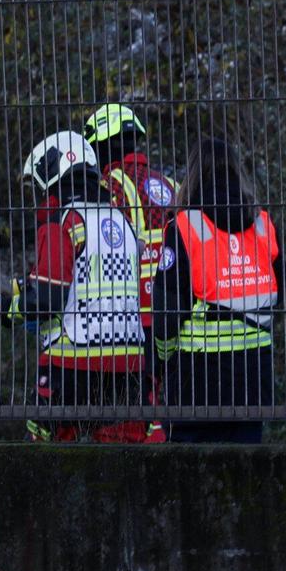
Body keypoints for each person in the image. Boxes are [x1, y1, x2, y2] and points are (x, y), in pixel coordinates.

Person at [0, 130, 147, 443]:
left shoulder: (63, 221)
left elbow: (47, 300)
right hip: (130, 363)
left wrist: (8, 310)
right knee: (124, 460)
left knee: (48, 456)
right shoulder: (124, 221)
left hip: (72, 361)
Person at [151, 136, 282, 443]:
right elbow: (281, 289)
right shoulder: (261, 223)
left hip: (197, 383)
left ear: (193, 175)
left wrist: (163, 359)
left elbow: (166, 314)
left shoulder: (185, 226)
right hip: (254, 379)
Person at [84, 101, 178, 439]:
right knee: (168, 396)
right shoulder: (168, 183)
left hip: (133, 311)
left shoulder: (109, 186)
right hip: (173, 303)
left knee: (133, 406)